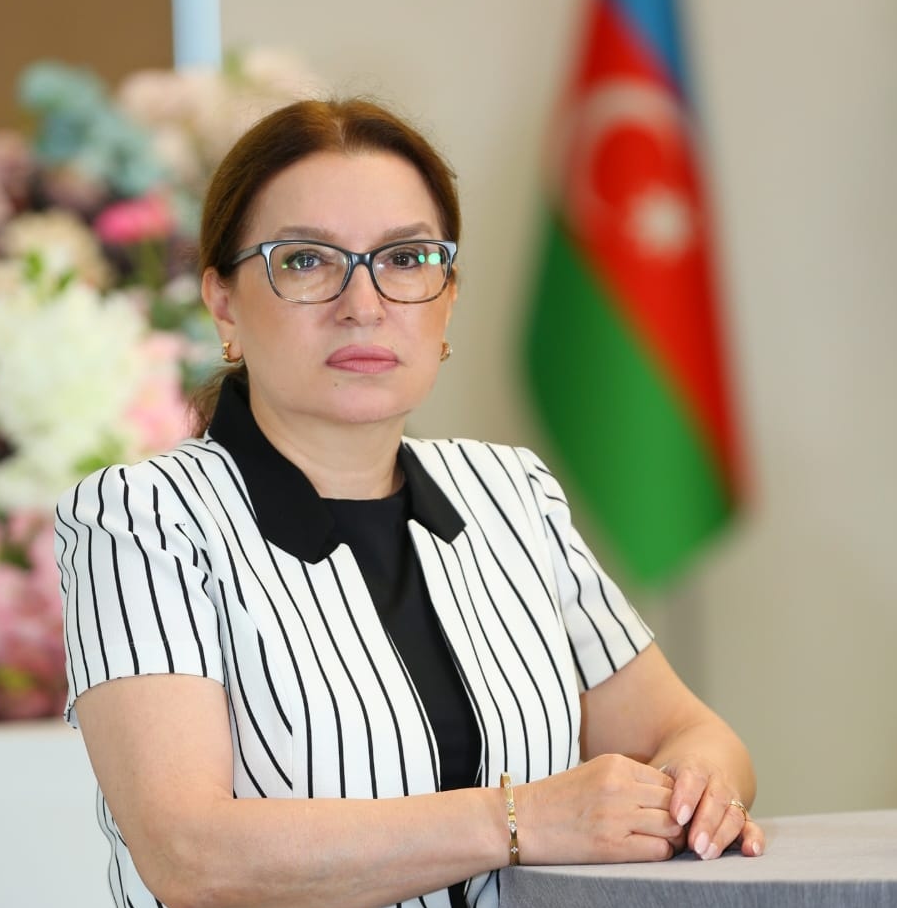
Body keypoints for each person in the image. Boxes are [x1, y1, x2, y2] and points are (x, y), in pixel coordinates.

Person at [55, 98, 762, 908]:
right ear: (223, 303)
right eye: (306, 260)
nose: (364, 304)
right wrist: (519, 818)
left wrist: (698, 786)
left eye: (405, 258)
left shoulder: (512, 493)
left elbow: (692, 733)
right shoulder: (140, 516)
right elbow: (190, 854)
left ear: (447, 297)